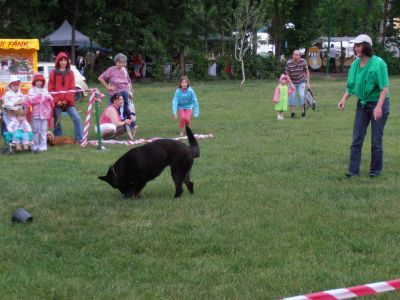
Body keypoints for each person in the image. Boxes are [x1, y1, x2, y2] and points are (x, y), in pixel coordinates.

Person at [337, 34, 390, 178]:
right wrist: (344, 99)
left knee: (375, 141)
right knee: (357, 138)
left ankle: (375, 171)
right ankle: (353, 172)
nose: (356, 48)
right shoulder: (355, 64)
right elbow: (350, 86)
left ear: (366, 46)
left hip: (379, 103)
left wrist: (378, 107)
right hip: (362, 104)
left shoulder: (378, 63)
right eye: (355, 46)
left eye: (359, 45)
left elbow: (384, 88)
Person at [48, 52, 83, 144]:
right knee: (57, 120)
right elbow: (51, 89)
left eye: (65, 60)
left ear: (67, 61)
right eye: (61, 60)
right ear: (58, 62)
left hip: (68, 102)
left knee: (77, 118)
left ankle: (80, 139)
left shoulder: (71, 73)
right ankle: (58, 139)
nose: (63, 62)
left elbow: (72, 88)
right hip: (57, 102)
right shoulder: (53, 73)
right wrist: (57, 101)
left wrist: (66, 101)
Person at [27, 73, 53, 152]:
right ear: (34, 81)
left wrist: (48, 98)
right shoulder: (31, 90)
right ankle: (35, 145)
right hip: (36, 113)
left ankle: (43, 145)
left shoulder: (45, 90)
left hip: (44, 114)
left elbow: (50, 98)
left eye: (41, 81)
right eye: (37, 81)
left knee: (43, 130)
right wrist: (39, 97)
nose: (39, 82)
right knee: (35, 130)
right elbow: (30, 100)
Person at [285, 49, 310, 118]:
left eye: (297, 55)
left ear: (299, 56)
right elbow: (287, 74)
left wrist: (308, 83)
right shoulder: (288, 63)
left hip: (301, 81)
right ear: (292, 55)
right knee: (292, 96)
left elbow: (307, 72)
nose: (295, 56)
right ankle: (293, 112)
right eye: (294, 55)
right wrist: (291, 84)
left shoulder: (303, 62)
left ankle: (303, 112)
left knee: (302, 96)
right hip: (291, 82)